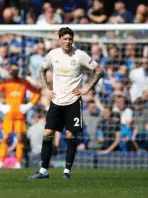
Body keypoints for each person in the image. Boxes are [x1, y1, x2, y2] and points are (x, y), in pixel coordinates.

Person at [27, 27, 104, 179]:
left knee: (70, 135)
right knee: (47, 133)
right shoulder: (53, 54)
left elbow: (99, 70)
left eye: (70, 39)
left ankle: (67, 171)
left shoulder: (80, 55)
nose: (68, 41)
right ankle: (43, 171)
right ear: (60, 39)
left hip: (73, 101)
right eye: (65, 39)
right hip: (56, 101)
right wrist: (46, 89)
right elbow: (42, 70)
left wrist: (87, 88)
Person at [0, 63, 40, 169]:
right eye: (13, 70)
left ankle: (18, 161)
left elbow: (37, 93)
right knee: (5, 137)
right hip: (9, 114)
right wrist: (0, 105)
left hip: (20, 115)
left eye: (16, 70)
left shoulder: (24, 82)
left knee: (19, 138)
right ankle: (1, 161)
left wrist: (29, 105)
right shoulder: (6, 83)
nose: (14, 72)